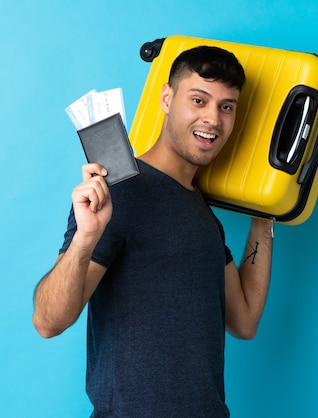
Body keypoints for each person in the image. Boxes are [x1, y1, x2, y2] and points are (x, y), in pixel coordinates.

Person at [32, 45, 273, 417]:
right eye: (198, 99)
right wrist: (85, 238)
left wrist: (264, 215)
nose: (213, 118)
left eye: (226, 106)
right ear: (166, 97)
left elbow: (243, 321)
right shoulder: (120, 191)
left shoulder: (204, 216)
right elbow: (47, 322)